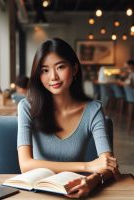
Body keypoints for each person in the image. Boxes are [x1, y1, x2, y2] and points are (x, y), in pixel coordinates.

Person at [17, 38, 119, 198]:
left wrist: (92, 181)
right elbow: (25, 165)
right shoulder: (27, 107)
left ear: (74, 69)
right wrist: (87, 166)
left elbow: (107, 164)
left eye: (60, 67)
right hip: (37, 193)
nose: (53, 77)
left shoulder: (93, 109)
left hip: (76, 191)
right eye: (44, 70)